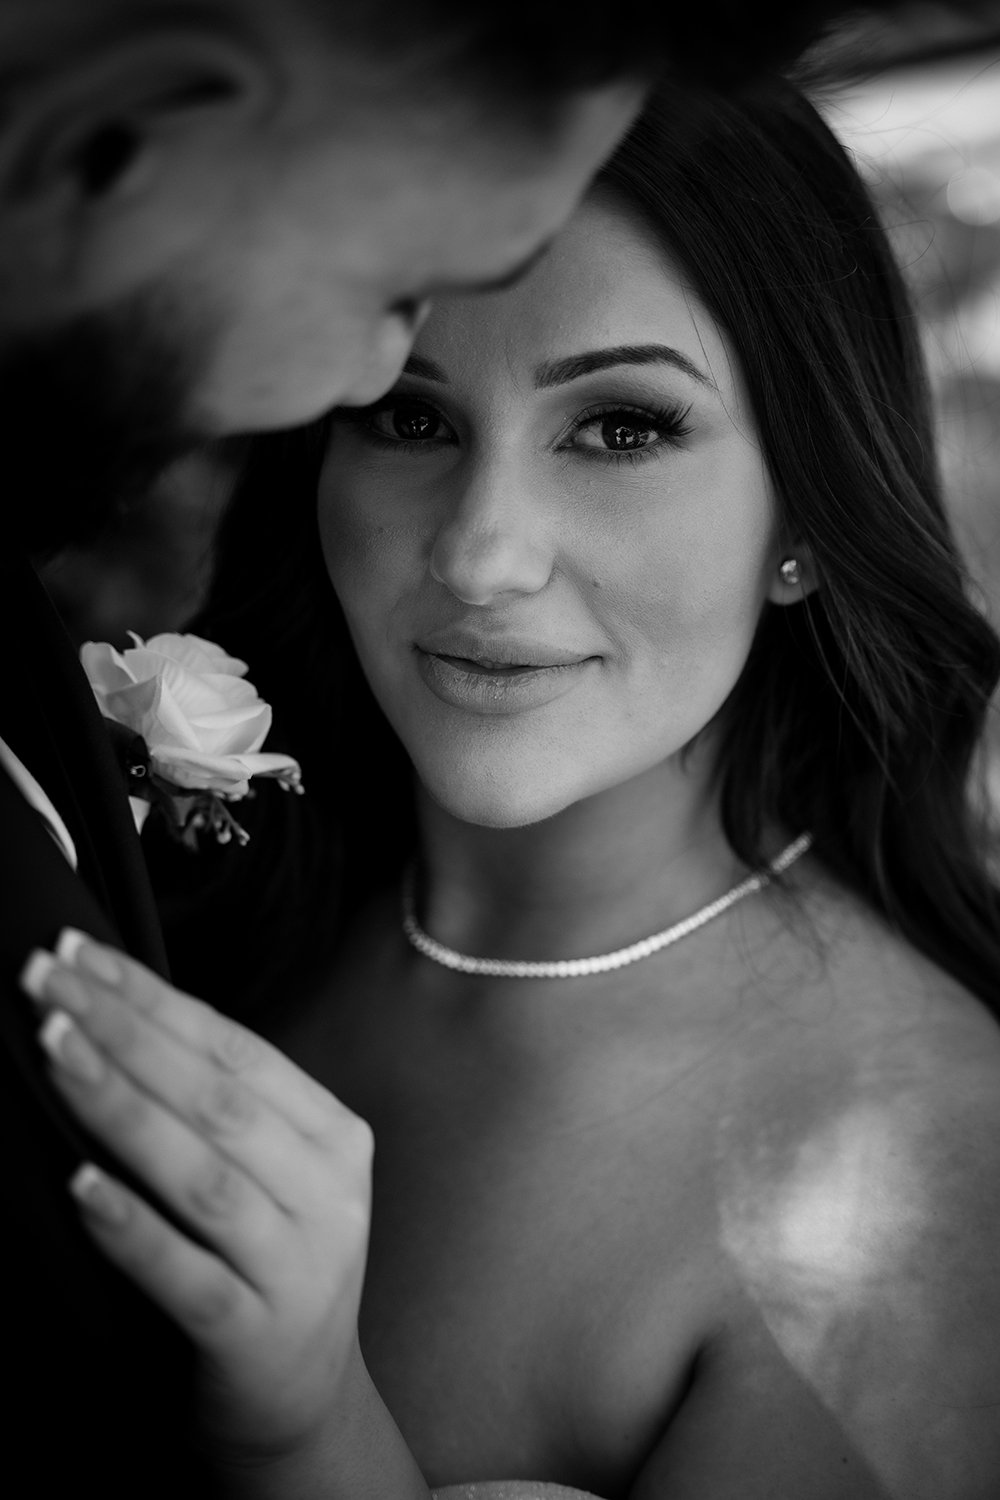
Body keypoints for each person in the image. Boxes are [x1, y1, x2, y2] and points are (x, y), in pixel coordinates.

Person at [22, 74, 1000, 1498]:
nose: (482, 555)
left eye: (620, 429)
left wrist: (307, 1430)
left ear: (806, 517)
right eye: (412, 422)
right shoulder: (174, 878)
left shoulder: (920, 1181)